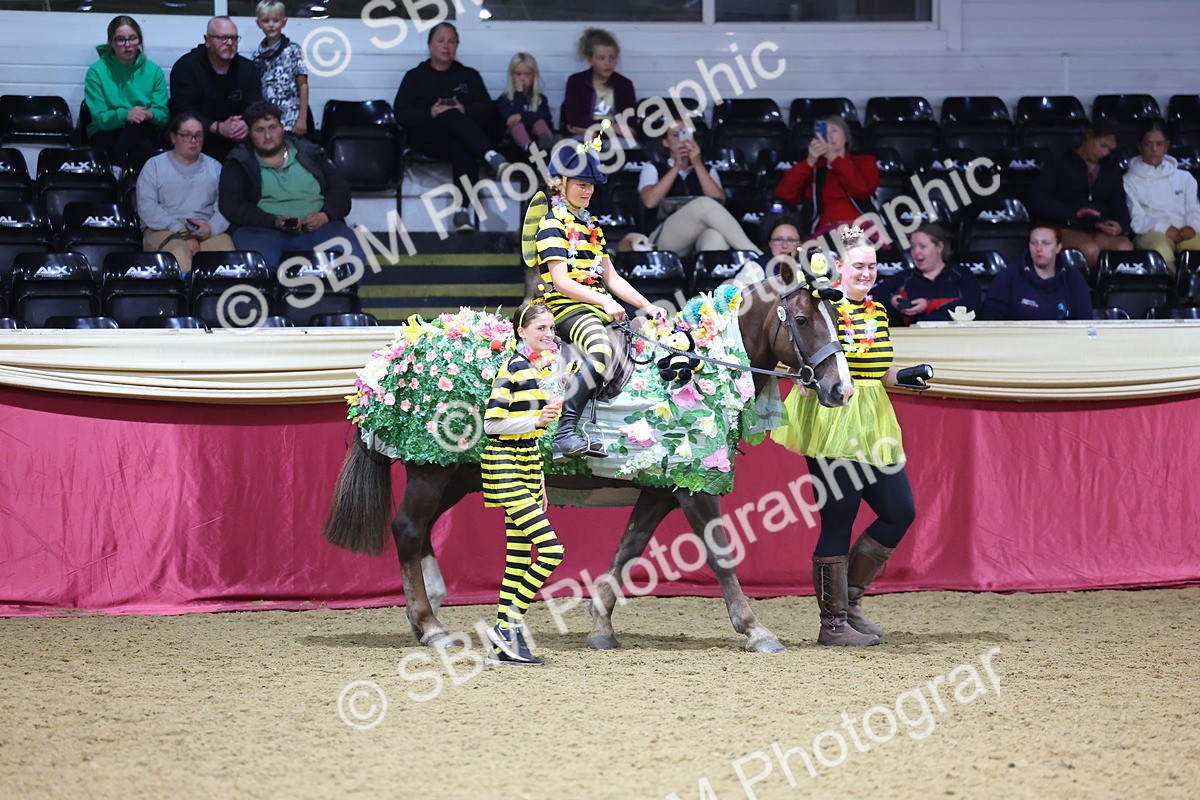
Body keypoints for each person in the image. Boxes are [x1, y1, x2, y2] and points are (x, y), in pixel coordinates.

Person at [771, 225, 923, 647]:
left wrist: (904, 375)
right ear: (840, 267)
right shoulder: (823, 306)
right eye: (858, 265)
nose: (867, 272)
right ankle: (832, 624)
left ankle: (851, 601)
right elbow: (798, 356)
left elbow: (877, 370)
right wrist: (799, 378)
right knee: (839, 518)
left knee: (899, 511)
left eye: (872, 266)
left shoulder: (877, 311)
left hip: (874, 417)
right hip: (833, 419)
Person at [528, 129, 664, 460]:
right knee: (602, 350)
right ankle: (564, 431)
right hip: (566, 310)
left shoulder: (590, 226)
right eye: (581, 183)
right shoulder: (551, 225)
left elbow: (611, 277)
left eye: (590, 184)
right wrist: (603, 299)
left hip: (594, 307)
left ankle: (603, 426)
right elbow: (560, 281)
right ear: (560, 183)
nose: (588, 190)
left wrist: (647, 306)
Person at [481, 302, 565, 667]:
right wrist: (536, 419)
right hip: (504, 465)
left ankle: (504, 646)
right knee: (551, 551)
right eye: (541, 328)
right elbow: (491, 424)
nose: (548, 334)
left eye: (550, 328)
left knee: (517, 560)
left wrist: (541, 480)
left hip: (527, 465)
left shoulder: (533, 367)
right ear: (521, 331)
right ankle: (507, 629)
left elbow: (530, 432)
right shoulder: (513, 367)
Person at [218, 101, 366, 269]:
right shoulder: (239, 161)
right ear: (250, 133)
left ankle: (337, 295)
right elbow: (231, 205)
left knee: (353, 254)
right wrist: (273, 221)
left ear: (282, 127)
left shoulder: (310, 153)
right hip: (263, 231)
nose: (267, 136)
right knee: (260, 264)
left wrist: (325, 215)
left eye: (272, 127)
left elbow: (341, 190)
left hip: (321, 227)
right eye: (260, 130)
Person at [393, 22, 508, 233]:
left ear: (457, 46)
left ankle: (461, 211)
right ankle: (491, 155)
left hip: (462, 138)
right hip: (427, 138)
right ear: (430, 45)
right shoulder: (415, 76)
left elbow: (487, 108)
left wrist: (465, 110)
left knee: (462, 144)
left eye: (452, 41)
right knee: (448, 115)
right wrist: (431, 113)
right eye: (441, 40)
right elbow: (401, 114)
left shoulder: (469, 75)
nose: (446, 46)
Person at [637, 117, 760, 259]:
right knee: (703, 203)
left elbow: (719, 201)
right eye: (676, 136)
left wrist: (697, 163)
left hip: (698, 236)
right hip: (664, 237)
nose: (682, 141)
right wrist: (677, 166)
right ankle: (755, 255)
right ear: (665, 142)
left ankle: (711, 280)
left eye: (686, 135)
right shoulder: (653, 168)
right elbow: (649, 201)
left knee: (716, 238)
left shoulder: (707, 169)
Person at [136, 113, 234, 274]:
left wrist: (211, 228)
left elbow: (226, 206)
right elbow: (147, 207)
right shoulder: (154, 166)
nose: (193, 141)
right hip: (163, 228)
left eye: (198, 136)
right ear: (173, 137)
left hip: (206, 228)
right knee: (178, 256)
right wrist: (182, 231)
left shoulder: (215, 167)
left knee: (225, 257)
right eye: (186, 135)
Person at [1029, 121, 1133, 268]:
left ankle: (1107, 288)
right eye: (1102, 146)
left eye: (1110, 150)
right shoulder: (1060, 161)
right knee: (1089, 249)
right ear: (1089, 136)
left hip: (1097, 227)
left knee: (1124, 248)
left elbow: (1119, 205)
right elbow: (1038, 200)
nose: (1104, 153)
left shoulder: (1111, 167)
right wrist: (1073, 212)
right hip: (1063, 224)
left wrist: (1120, 227)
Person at [169, 16, 263, 162]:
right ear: (207, 40)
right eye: (222, 38)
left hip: (237, 139)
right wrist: (218, 127)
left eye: (234, 38)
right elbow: (183, 111)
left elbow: (255, 107)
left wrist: (245, 123)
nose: (229, 43)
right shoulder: (186, 68)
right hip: (196, 138)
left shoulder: (248, 69)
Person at [83, 15, 168, 172]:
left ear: (140, 41)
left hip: (143, 128)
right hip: (106, 130)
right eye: (121, 39)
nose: (127, 45)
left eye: (132, 38)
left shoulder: (153, 71)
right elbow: (99, 118)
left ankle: (117, 171)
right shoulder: (97, 71)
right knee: (140, 145)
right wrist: (126, 114)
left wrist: (148, 114)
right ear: (111, 43)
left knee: (142, 131)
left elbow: (163, 114)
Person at [775, 116, 879, 240]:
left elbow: (862, 190)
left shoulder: (864, 161)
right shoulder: (815, 169)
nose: (829, 136)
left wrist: (834, 158)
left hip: (862, 231)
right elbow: (785, 193)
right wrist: (809, 161)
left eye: (834, 131)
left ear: (846, 137)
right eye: (824, 132)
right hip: (825, 235)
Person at [1123, 120, 1200, 276]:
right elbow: (1136, 218)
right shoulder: (1129, 180)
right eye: (1148, 144)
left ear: (1166, 145)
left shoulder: (1184, 177)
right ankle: (1170, 295)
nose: (1154, 149)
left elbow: (1194, 209)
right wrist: (1164, 228)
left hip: (1185, 229)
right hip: (1150, 231)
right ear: (1140, 146)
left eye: (1159, 144)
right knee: (1160, 250)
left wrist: (1192, 226)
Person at [981, 224, 1093, 320]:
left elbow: (1084, 321)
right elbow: (990, 317)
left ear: (1058, 247)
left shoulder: (1073, 279)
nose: (1038, 248)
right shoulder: (1009, 275)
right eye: (1034, 242)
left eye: (1046, 243)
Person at [877, 223, 981, 325]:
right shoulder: (905, 278)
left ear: (939, 247)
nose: (916, 252)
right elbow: (871, 297)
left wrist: (928, 305)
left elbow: (972, 305)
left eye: (922, 246)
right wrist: (892, 302)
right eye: (913, 247)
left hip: (956, 337)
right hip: (915, 338)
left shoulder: (962, 274)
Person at [561, 28, 637, 142]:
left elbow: (629, 127)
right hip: (584, 137)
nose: (607, 63)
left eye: (612, 58)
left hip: (615, 139)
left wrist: (594, 130)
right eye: (601, 58)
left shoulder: (625, 85)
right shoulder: (576, 82)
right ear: (590, 60)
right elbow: (574, 121)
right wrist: (612, 127)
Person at [252, 1, 309, 136]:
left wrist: (302, 118)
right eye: (266, 21)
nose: (271, 25)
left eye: (276, 20)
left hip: (291, 120)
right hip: (266, 121)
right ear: (258, 23)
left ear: (284, 22)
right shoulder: (257, 55)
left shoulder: (293, 50)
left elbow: (303, 85)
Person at [498, 52, 554, 154]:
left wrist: (522, 116)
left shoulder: (540, 99)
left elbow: (546, 116)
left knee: (540, 122)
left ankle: (546, 146)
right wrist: (518, 93)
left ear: (534, 76)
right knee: (516, 125)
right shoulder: (504, 99)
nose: (522, 78)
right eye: (518, 74)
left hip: (536, 136)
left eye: (527, 74)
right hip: (514, 140)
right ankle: (530, 150)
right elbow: (510, 118)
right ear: (511, 76)